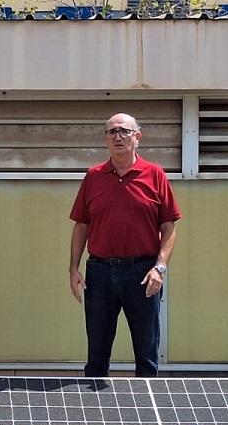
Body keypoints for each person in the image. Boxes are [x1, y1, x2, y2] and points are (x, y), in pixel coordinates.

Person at [69, 113, 180, 378]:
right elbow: (81, 225)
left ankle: (148, 413)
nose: (118, 137)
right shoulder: (93, 176)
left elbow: (168, 227)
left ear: (137, 137)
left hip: (142, 274)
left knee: (146, 352)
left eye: (124, 131)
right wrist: (73, 268)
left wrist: (160, 267)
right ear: (105, 139)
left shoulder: (155, 175)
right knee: (96, 353)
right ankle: (94, 412)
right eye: (111, 132)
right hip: (100, 272)